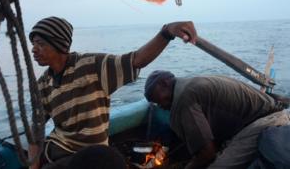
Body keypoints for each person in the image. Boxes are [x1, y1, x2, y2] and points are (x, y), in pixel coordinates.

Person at [28, 16, 197, 169]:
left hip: (95, 155)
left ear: (60, 45)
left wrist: (166, 32)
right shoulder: (42, 85)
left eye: (41, 44)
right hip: (59, 151)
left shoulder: (92, 66)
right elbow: (36, 129)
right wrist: (33, 166)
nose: (34, 49)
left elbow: (136, 60)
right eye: (33, 44)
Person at [144, 70, 290, 169]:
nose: (159, 106)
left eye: (156, 99)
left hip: (267, 121)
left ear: (164, 83)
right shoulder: (189, 84)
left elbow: (207, 154)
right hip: (265, 115)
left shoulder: (184, 98)